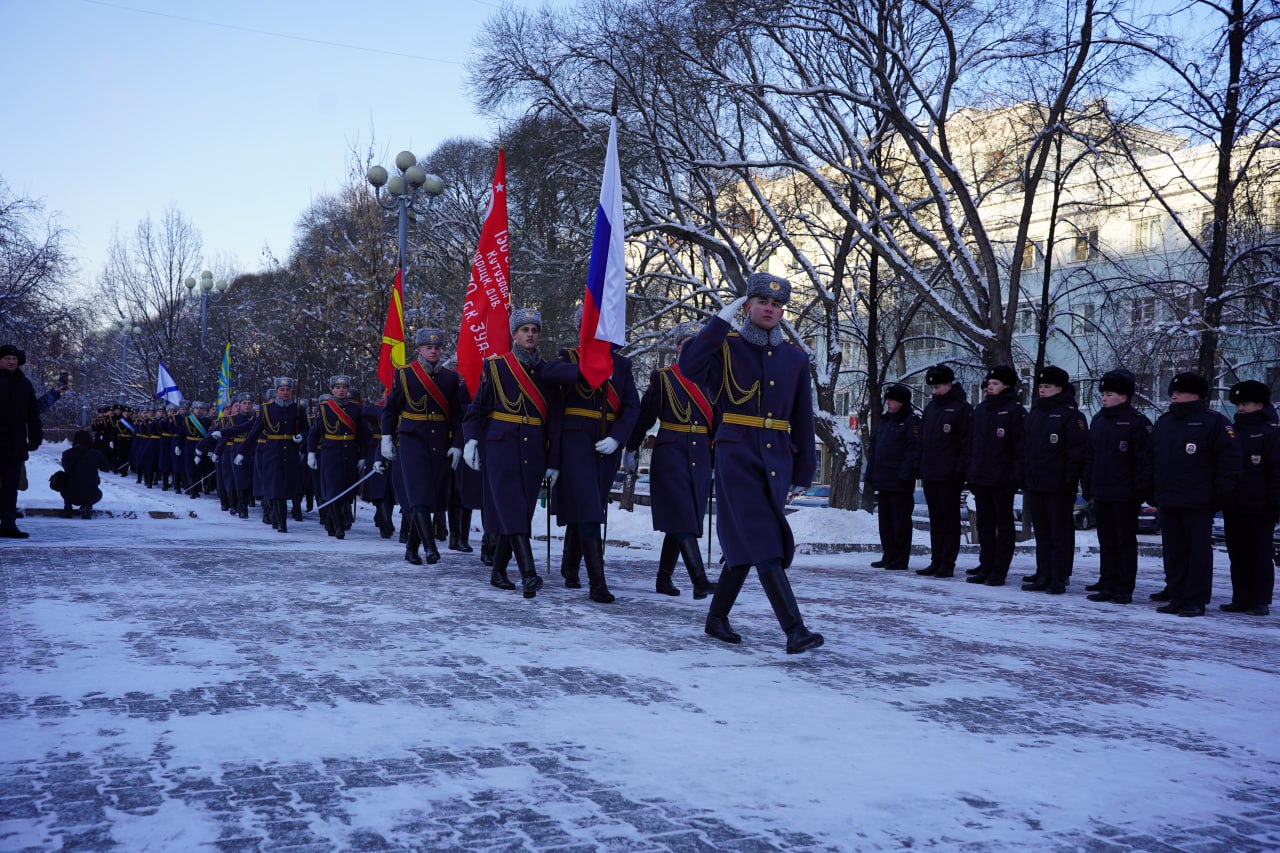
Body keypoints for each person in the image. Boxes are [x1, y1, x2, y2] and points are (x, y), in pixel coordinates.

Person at [679, 273, 823, 654]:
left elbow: (802, 417)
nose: (771, 309)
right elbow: (689, 367)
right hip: (736, 452)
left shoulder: (794, 358)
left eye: (777, 305)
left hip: (777, 455)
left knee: (745, 542)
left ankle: (716, 617)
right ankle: (794, 629)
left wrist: (803, 471)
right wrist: (718, 323)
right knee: (764, 536)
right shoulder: (724, 346)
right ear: (748, 306)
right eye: (763, 302)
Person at [540, 312, 641, 603]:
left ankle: (570, 568)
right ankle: (598, 583)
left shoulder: (621, 364)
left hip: (606, 445)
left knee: (589, 507)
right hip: (574, 443)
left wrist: (617, 437)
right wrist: (587, 371)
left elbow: (631, 407)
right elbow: (548, 374)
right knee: (588, 507)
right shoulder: (570, 358)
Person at [462, 308, 556, 597]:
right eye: (525, 329)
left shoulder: (547, 371)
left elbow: (554, 419)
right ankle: (529, 574)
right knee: (512, 508)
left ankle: (498, 571)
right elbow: (477, 410)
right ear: (514, 334)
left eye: (535, 330)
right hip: (500, 447)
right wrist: (471, 441)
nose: (530, 334)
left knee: (518, 512)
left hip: (534, 449)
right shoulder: (496, 367)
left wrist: (554, 460)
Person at [626, 321, 717, 599]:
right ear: (678, 348)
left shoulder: (714, 380)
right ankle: (699, 580)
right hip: (671, 453)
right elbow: (646, 416)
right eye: (685, 343)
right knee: (683, 517)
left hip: (702, 453)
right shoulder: (664, 378)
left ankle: (663, 579)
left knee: (683, 520)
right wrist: (630, 446)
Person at [1149, 372, 1240, 617]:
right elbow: (1154, 460)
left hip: (1198, 500)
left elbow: (1228, 462)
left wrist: (1220, 494)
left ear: (1196, 395)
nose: (1174, 395)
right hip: (1169, 498)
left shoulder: (1214, 422)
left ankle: (1195, 599)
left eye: (1180, 391)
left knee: (1197, 552)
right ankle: (1177, 595)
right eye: (1173, 392)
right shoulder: (1164, 422)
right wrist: (1154, 491)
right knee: (1173, 551)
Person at [382, 329, 466, 565]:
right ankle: (430, 548)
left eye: (437, 348)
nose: (433, 351)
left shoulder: (450, 378)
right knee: (419, 493)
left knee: (432, 495)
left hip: (439, 441)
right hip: (411, 439)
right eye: (428, 348)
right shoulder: (405, 374)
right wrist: (386, 439)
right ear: (419, 349)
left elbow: (458, 417)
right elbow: (390, 410)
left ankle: (411, 549)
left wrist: (458, 445)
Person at [1080, 370, 1152, 604]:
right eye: (1103, 394)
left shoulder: (1137, 422)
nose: (1104, 398)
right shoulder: (1099, 420)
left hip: (1125, 494)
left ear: (1124, 397)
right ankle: (1107, 582)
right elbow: (1091, 455)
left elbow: (1144, 460)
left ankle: (1124, 587)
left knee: (1124, 542)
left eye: (1109, 394)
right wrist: (1088, 482)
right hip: (1102, 491)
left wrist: (1139, 489)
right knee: (1107, 541)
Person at [1020, 365, 1089, 595]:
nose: (1042, 390)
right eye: (1041, 386)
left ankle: (1059, 576)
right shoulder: (1036, 414)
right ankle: (1044, 573)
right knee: (1042, 532)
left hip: (1059, 485)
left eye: (1047, 386)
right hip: (1036, 483)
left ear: (1060, 388)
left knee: (1059, 532)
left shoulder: (1071, 415)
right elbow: (1027, 449)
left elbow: (1077, 452)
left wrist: (1069, 481)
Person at [1220, 380, 1279, 616]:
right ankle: (1241, 597)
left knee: (1260, 552)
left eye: (1245, 404)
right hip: (1235, 503)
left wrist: (1275, 503)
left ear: (1260, 404)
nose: (1240, 409)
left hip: (1261, 504)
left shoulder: (1271, 433)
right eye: (1237, 405)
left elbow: (1276, 471)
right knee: (1238, 552)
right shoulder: (1233, 431)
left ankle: (1260, 599)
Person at [964, 366, 1026, 587]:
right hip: (981, 477)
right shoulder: (980, 410)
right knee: (985, 525)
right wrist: (971, 472)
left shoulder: (1014, 411)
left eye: (996, 384)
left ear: (1007, 386)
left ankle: (999, 569)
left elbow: (1019, 448)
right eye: (989, 383)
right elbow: (972, 445)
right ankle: (986, 564)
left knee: (1004, 525)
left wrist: (1014, 476)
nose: (990, 387)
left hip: (1002, 479)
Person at [916, 364, 972, 578]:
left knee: (949, 520)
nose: (934, 391)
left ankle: (947, 562)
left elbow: (965, 444)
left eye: (937, 387)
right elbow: (923, 441)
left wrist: (959, 470)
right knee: (936, 520)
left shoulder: (961, 409)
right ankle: (936, 559)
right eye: (932, 387)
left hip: (950, 475)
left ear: (949, 385)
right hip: (931, 473)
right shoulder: (931, 409)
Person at [865, 383, 922, 572]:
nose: (888, 403)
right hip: (883, 480)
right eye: (887, 400)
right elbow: (874, 450)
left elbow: (913, 451)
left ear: (902, 402)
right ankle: (888, 555)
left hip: (900, 482)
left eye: (892, 400)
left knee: (900, 523)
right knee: (886, 523)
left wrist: (906, 475)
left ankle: (900, 559)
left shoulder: (910, 422)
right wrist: (871, 473)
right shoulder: (884, 421)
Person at [241, 378, 308, 533]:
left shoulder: (298, 410)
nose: (285, 393)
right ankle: (280, 521)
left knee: (286, 488)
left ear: (292, 392)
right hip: (271, 452)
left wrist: (302, 436)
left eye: (287, 390)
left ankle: (278, 518)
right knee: (275, 488)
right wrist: (242, 452)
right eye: (282, 389)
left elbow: (306, 429)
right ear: (276, 391)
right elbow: (254, 432)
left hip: (290, 452)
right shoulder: (267, 409)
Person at [309, 375, 371, 539]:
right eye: (337, 388)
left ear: (348, 390)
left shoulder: (356, 409)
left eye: (344, 388)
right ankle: (338, 527)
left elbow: (363, 434)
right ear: (332, 390)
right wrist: (311, 453)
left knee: (345, 490)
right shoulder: (324, 408)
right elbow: (314, 433)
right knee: (332, 489)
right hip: (330, 452)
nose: (341, 390)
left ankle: (332, 523)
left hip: (350, 452)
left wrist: (363, 455)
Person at [0, 344, 42, 539]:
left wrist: (35, 436)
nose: (11, 362)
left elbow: (32, 414)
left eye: (14, 359)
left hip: (14, 444)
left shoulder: (24, 384)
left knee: (10, 487)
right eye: (7, 358)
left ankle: (8, 524)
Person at [56, 430, 111, 518]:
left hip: (69, 494)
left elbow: (65, 468)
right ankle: (87, 507)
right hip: (91, 494)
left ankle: (67, 508)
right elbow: (106, 467)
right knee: (97, 493)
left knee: (68, 482)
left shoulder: (66, 454)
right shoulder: (95, 453)